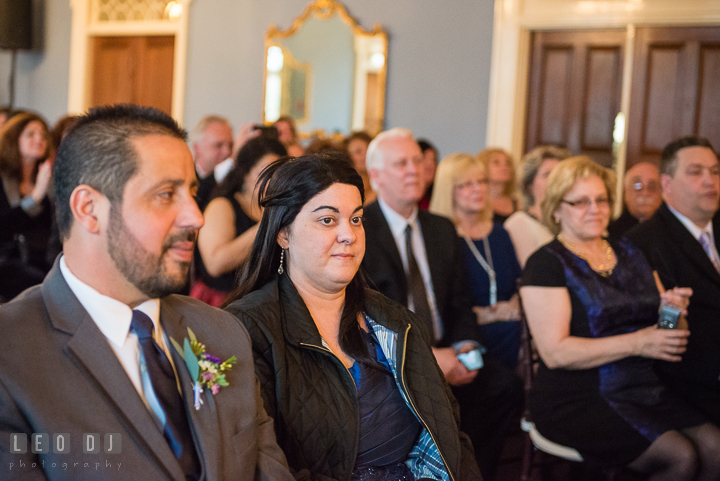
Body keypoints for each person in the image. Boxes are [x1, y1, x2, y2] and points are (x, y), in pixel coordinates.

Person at [0, 104, 293, 480]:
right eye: (165, 194)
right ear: (89, 209)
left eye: (190, 192)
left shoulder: (221, 331)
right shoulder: (11, 354)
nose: (196, 217)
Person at [225, 153, 481, 481]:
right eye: (328, 220)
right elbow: (259, 464)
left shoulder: (394, 322)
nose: (349, 235)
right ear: (283, 234)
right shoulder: (247, 329)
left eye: (356, 219)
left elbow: (449, 434)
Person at [521, 156, 720, 480]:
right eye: (580, 202)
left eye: (601, 200)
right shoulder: (546, 263)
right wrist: (639, 343)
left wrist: (672, 310)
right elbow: (555, 353)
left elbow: (668, 335)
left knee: (715, 448)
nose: (594, 209)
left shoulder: (630, 251)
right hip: (577, 395)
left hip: (644, 386)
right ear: (557, 209)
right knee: (680, 458)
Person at [362, 128, 522, 481]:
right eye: (401, 163)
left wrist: (466, 345)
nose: (413, 170)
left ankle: (470, 471)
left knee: (504, 388)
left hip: (447, 346)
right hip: (393, 359)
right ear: (376, 176)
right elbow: (367, 315)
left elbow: (460, 302)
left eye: (417, 161)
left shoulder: (441, 228)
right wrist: (427, 357)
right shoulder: (361, 229)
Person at [627, 136, 720, 427]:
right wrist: (672, 311)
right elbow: (661, 330)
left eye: (715, 171)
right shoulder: (644, 243)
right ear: (666, 184)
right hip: (685, 379)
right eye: (695, 172)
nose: (710, 181)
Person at [430, 153, 522, 370]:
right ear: (448, 190)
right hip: (466, 336)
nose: (478, 189)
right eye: (466, 184)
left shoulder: (500, 233)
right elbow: (444, 302)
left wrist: (513, 307)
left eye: (482, 181)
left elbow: (521, 282)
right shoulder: (441, 237)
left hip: (510, 327)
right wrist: (488, 314)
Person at [193, 137, 287, 306]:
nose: (273, 182)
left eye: (279, 175)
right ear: (245, 173)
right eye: (266, 174)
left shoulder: (277, 208)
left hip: (266, 301)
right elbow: (215, 264)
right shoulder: (223, 205)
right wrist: (268, 223)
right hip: (223, 301)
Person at [0, 112, 54, 301]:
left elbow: (48, 234)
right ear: (14, 140)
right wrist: (35, 197)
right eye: (31, 134)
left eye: (42, 135)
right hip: (5, 263)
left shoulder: (45, 182)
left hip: (36, 264)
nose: (39, 139)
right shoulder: (2, 178)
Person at [504, 145, 571, 267]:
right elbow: (532, 270)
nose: (555, 180)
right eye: (547, 175)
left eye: (559, 174)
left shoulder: (571, 220)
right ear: (529, 184)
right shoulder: (519, 223)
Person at [189, 115, 234, 211]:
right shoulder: (185, 178)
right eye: (219, 145)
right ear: (197, 148)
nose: (227, 152)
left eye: (231, 145)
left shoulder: (234, 179)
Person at [608, 161, 662, 239]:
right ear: (625, 192)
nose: (645, 193)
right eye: (638, 186)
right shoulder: (611, 234)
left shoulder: (672, 232)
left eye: (652, 186)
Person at [477, 148, 518, 223]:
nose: (504, 167)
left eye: (508, 163)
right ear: (483, 167)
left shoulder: (518, 204)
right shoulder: (477, 202)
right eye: (496, 163)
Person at [344, 131, 376, 204]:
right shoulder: (346, 190)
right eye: (358, 152)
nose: (366, 155)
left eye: (368, 149)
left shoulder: (381, 187)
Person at [417, 139, 438, 210]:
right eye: (424, 158)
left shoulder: (437, 197)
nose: (430, 165)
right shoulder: (409, 200)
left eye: (433, 160)